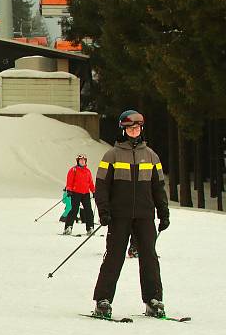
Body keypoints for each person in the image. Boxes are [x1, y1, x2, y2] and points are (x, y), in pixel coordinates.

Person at [92, 110, 170, 319]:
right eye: (130, 128)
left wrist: (163, 212)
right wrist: (104, 210)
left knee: (149, 258)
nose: (134, 131)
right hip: (119, 216)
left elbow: (158, 187)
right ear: (123, 130)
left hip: (145, 215)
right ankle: (103, 300)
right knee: (114, 257)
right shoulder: (112, 155)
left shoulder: (151, 156)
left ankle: (153, 300)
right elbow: (101, 187)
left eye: (137, 128)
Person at [63, 154, 96, 236]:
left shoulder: (88, 171)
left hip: (86, 193)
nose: (82, 161)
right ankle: (68, 227)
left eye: (84, 160)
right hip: (76, 192)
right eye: (81, 160)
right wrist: (69, 190)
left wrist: (94, 191)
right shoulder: (73, 170)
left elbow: (91, 183)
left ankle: (90, 228)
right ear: (78, 161)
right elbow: (69, 181)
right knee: (74, 210)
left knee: (88, 210)